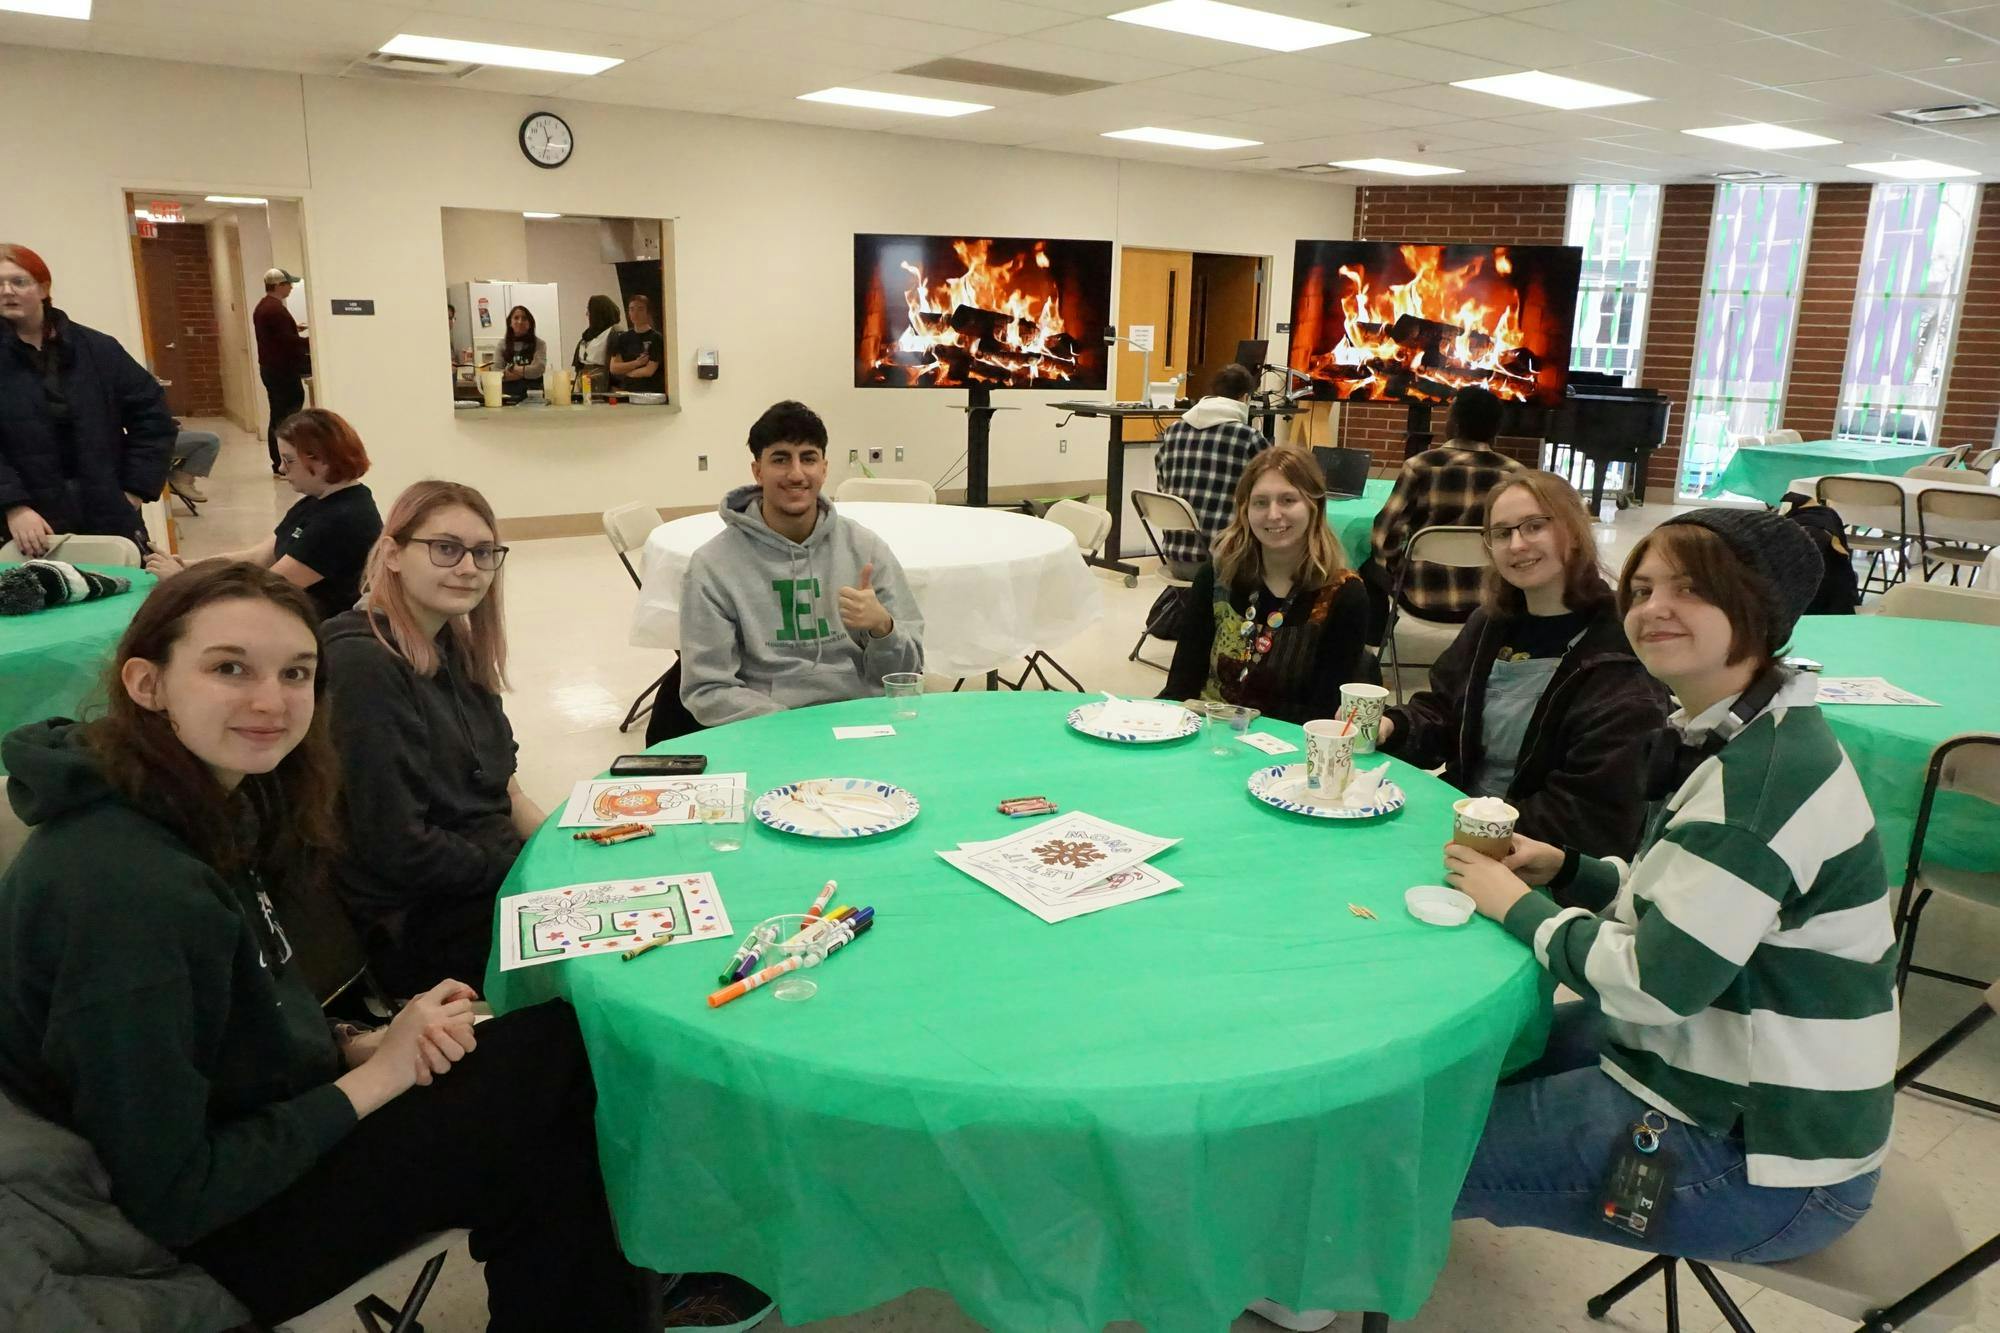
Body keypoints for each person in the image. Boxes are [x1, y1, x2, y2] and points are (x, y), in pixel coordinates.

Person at [0, 561, 653, 1331]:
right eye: (229, 668)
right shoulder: (126, 893)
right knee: (561, 1081)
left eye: (297, 672)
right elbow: (174, 1195)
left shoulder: (201, 802)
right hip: (188, 1233)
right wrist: (382, 1076)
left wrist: (358, 1042)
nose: (272, 700)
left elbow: (238, 1022)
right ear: (147, 683)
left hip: (241, 1131)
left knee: (551, 1098)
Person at [1442, 507, 1895, 1266]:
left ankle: (1310, 1278)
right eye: (1644, 586)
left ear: (1757, 609)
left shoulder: (1760, 784)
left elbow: (1656, 982)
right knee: (1474, 1058)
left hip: (1760, 1159)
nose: (1652, 609)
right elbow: (1695, 903)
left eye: (1688, 589)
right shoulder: (1748, 731)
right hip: (1728, 1066)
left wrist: (1518, 906)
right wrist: (1569, 870)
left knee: (1419, 1143)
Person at [318, 480, 540, 997]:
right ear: (392, 554)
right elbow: (396, 846)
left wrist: (564, 844)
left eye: (483, 553)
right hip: (421, 919)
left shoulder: (451, 642)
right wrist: (520, 871)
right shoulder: (363, 664)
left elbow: (505, 790)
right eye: (445, 548)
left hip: (478, 878)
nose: (468, 567)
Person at [1376, 471, 1668, 861]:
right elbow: (1444, 712)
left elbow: (1591, 810)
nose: (1517, 544)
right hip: (1468, 821)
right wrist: (1394, 726)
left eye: (1534, 526)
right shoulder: (1490, 624)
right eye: (1501, 533)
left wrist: (1474, 831)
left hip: (1545, 855)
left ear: (1574, 529)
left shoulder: (1619, 644)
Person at [680, 400, 923, 727]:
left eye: (808, 458)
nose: (796, 474)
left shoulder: (866, 550)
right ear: (757, 471)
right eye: (780, 459)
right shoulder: (712, 566)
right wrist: (789, 729)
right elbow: (707, 688)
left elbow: (906, 676)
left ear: (824, 468)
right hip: (766, 729)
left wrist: (884, 629)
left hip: (859, 723)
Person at [1161, 447, 1370, 725]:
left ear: (1313, 505)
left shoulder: (1344, 595)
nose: (1273, 515)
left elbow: (1324, 714)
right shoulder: (1215, 578)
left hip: (1286, 750)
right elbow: (1180, 688)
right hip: (1205, 737)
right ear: (1245, 510)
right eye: (1260, 502)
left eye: (1287, 500)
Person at [0, 242, 175, 557]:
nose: (7, 291)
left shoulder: (98, 349)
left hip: (107, 511)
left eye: (19, 281)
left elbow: (153, 417)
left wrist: (134, 489)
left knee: (127, 600)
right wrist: (13, 507)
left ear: (43, 287)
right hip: (27, 526)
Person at [145, 408, 381, 622]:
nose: (281, 469)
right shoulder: (318, 500)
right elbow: (257, 556)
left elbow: (269, 592)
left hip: (316, 631)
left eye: (289, 461)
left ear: (321, 461)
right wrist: (188, 567)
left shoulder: (345, 518)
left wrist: (182, 583)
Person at [1368, 384, 1525, 629]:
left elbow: (1384, 534)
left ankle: (1375, 640)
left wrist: (1397, 568)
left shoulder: (1419, 466)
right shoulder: (1515, 474)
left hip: (1422, 597)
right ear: (1495, 430)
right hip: (1492, 599)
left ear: (1454, 424)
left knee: (1365, 566)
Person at [1153, 362, 1269, 567]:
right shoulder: (1247, 437)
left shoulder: (1172, 432)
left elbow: (1161, 486)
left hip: (1174, 558)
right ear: (1245, 398)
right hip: (1224, 562)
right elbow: (1274, 490)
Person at [254, 267, 310, 474]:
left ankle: (280, 462)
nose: (292, 288)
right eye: (289, 284)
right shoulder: (274, 309)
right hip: (282, 371)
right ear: (279, 285)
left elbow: (278, 337)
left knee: (278, 414)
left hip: (272, 369)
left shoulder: (265, 306)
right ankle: (283, 462)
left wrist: (295, 331)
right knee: (285, 417)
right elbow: (286, 342)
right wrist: (308, 342)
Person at [610, 292, 666, 394]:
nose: (635, 313)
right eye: (632, 309)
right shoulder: (623, 338)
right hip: (628, 391)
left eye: (640, 309)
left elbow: (649, 370)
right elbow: (614, 368)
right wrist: (637, 363)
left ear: (648, 312)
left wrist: (626, 372)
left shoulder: (656, 338)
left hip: (651, 392)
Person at [495, 304, 546, 403]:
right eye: (516, 318)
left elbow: (538, 369)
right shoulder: (502, 345)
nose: (520, 321)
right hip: (508, 399)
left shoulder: (539, 344)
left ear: (530, 323)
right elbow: (496, 373)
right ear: (510, 322)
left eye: (524, 318)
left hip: (534, 399)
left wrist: (512, 369)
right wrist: (527, 372)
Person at [572, 292, 622, 388]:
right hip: (583, 381)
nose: (587, 314)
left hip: (602, 383)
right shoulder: (588, 335)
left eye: (589, 310)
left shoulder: (614, 332)